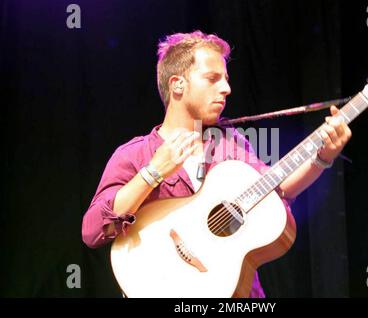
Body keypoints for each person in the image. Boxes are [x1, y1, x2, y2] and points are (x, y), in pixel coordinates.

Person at [81, 30, 352, 298]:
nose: (226, 88)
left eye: (225, 79)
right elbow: (94, 231)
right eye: (212, 78)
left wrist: (322, 156)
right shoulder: (135, 154)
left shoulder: (230, 144)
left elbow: (276, 190)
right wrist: (152, 173)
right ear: (177, 84)